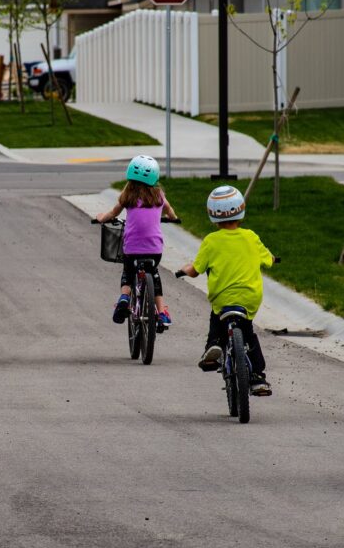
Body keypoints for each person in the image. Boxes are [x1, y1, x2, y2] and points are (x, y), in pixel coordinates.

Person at [177, 185, 275, 396]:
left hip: (223, 299)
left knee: (216, 319)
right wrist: (273, 258)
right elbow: (268, 260)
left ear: (212, 214)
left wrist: (185, 269)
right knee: (247, 333)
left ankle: (214, 346)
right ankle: (258, 378)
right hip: (249, 298)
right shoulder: (251, 237)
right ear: (241, 209)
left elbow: (195, 270)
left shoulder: (211, 241)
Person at [96, 155, 178, 327]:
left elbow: (112, 213)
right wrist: (173, 218)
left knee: (128, 272)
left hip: (132, 248)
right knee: (154, 275)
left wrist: (101, 217)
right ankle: (162, 313)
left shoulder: (128, 196)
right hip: (154, 250)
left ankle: (124, 298)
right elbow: (170, 211)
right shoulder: (159, 196)